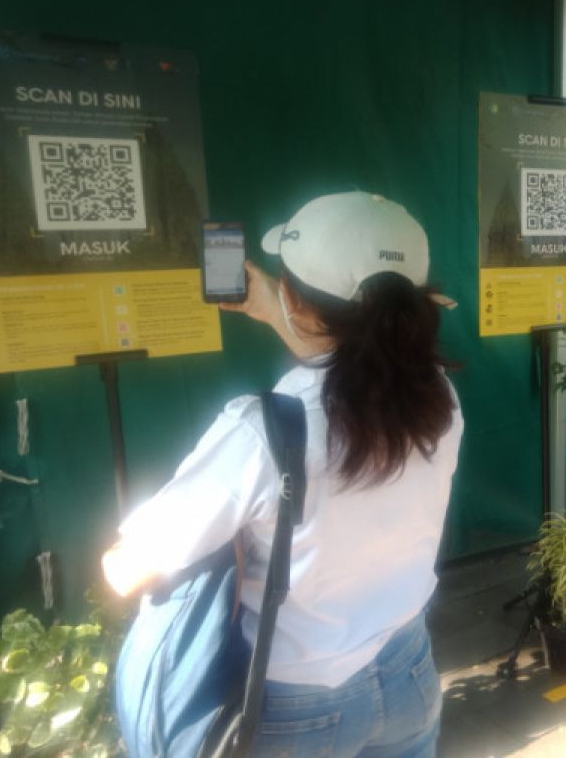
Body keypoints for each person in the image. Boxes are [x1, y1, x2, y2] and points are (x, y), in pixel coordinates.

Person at [102, 191, 464, 757]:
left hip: (296, 709)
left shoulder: (259, 432)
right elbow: (348, 372)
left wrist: (116, 558)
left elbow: (131, 568)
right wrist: (277, 309)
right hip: (407, 672)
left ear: (299, 299)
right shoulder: (438, 396)